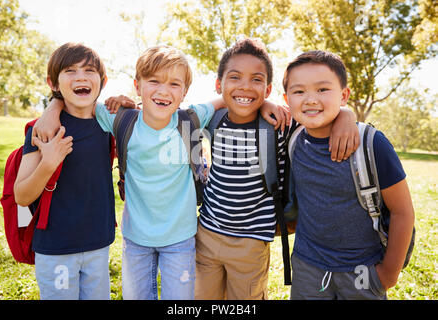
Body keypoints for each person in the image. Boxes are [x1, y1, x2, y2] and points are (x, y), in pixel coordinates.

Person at [32, 45, 287, 300]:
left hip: (181, 239)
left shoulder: (191, 119)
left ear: (184, 92)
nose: (163, 91)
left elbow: (230, 99)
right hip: (136, 239)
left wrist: (266, 103)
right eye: (153, 81)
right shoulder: (122, 119)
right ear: (137, 85)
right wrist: (52, 108)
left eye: (174, 84)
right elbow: (78, 100)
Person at [195, 39, 360, 300]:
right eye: (235, 77)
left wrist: (346, 114)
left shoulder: (279, 124)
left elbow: (316, 113)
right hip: (205, 235)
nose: (245, 86)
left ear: (268, 88)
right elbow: (170, 117)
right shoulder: (211, 120)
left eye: (256, 80)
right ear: (219, 85)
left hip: (250, 244)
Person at [282, 50, 415, 300]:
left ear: (344, 95)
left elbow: (403, 211)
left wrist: (388, 274)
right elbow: (253, 104)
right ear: (286, 99)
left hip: (363, 270)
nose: (310, 99)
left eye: (323, 89)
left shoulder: (372, 144)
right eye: (299, 92)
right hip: (308, 267)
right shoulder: (292, 138)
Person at [13, 43, 116, 300]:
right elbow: (21, 196)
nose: (81, 76)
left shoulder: (108, 124)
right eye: (70, 70)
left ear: (102, 81)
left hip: (98, 244)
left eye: (89, 70)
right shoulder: (44, 130)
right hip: (55, 247)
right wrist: (48, 163)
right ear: (54, 83)